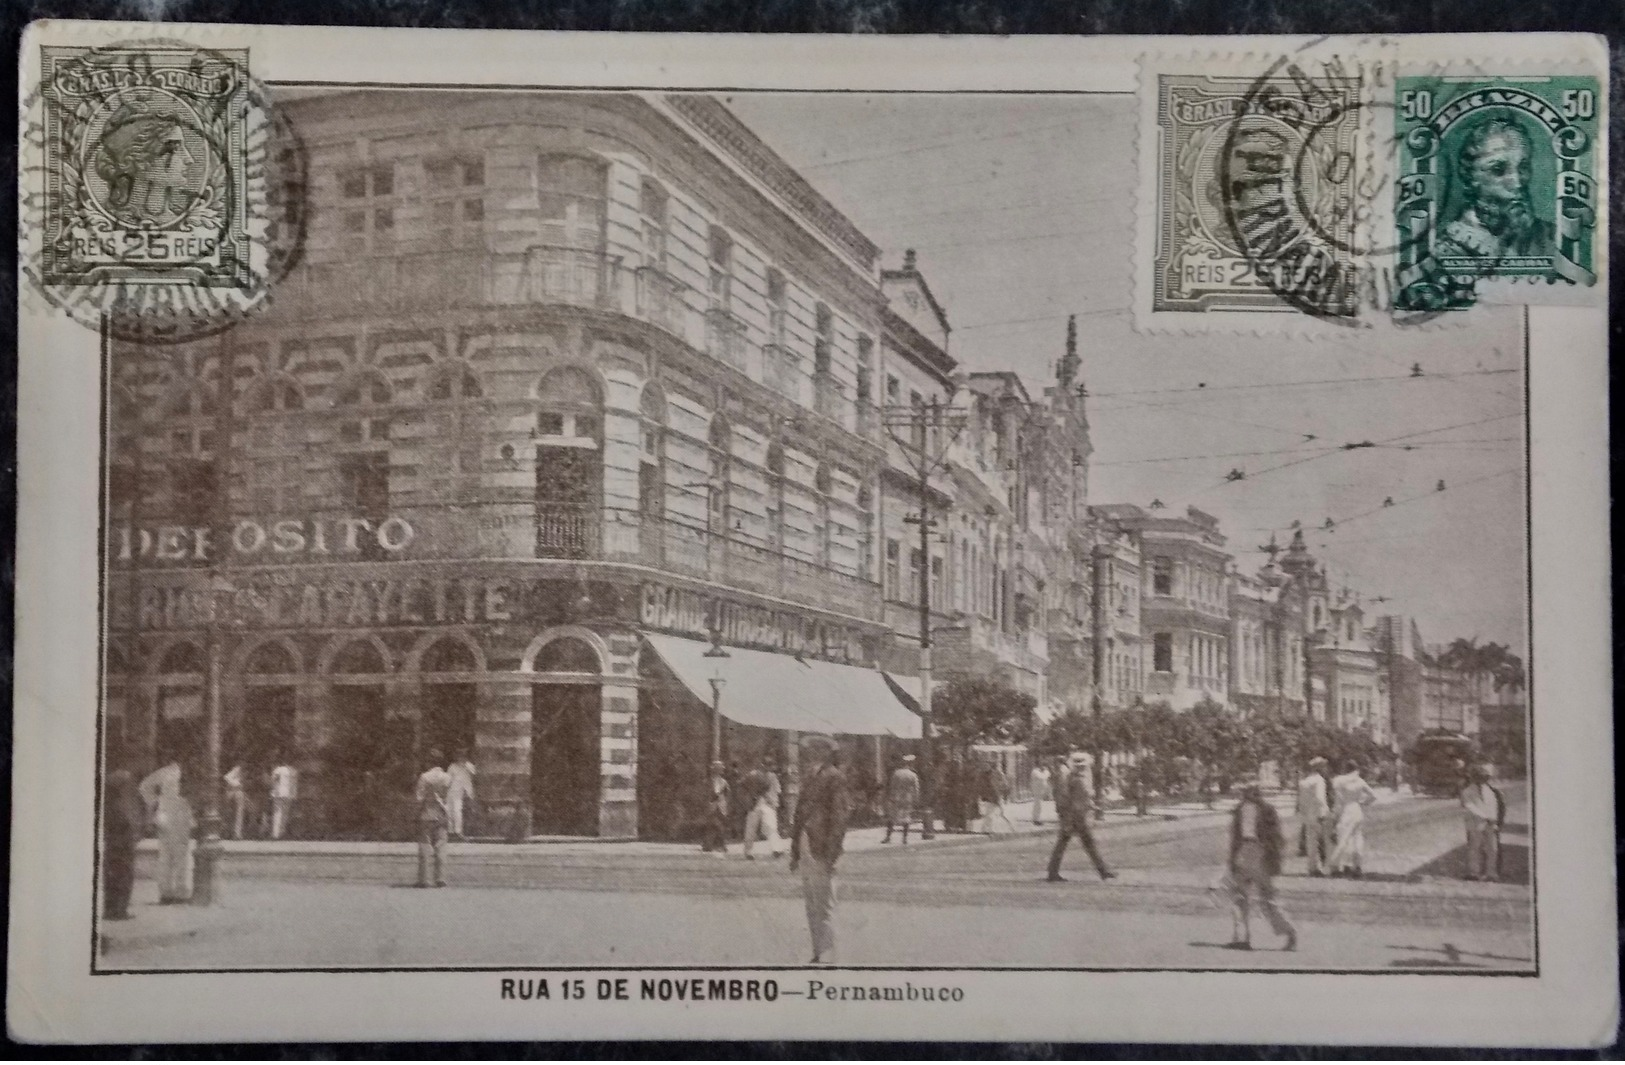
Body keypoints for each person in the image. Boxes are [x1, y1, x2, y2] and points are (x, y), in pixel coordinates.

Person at [1435, 115, 1556, 259]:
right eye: (1498, 170)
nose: (1517, 184)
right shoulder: (1449, 248)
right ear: (1470, 177)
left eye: (1523, 167)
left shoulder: (1551, 237)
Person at [790, 735, 849, 964]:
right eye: (809, 750)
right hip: (807, 843)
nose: (810, 753)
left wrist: (833, 852)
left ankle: (828, 955)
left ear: (826, 753)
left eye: (816, 750)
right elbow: (799, 815)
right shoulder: (809, 777)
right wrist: (795, 851)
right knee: (811, 903)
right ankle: (818, 952)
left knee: (824, 903)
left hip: (822, 845)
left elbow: (839, 817)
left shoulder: (835, 777)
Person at [1226, 779, 1297, 951]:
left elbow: (1235, 839)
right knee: (1268, 897)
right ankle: (1289, 931)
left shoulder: (1240, 810)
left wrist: (1233, 861)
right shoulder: (1267, 810)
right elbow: (1277, 839)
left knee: (1240, 895)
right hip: (1261, 854)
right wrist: (1273, 860)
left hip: (1246, 852)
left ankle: (1243, 937)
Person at [1047, 753, 1116, 882]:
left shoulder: (1075, 778)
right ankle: (1103, 871)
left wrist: (1092, 806)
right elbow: (1073, 798)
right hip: (1077, 817)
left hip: (1076, 815)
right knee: (1087, 843)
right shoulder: (1076, 779)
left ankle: (1053, 871)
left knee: (1065, 844)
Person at [138, 758, 194, 903]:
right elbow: (144, 786)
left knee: (179, 855)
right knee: (168, 855)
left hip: (181, 815)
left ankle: (177, 891)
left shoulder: (190, 773)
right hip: (168, 815)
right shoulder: (167, 772)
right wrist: (156, 802)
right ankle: (168, 892)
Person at [102, 767, 145, 920]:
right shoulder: (119, 805)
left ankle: (113, 910)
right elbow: (125, 824)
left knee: (113, 879)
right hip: (122, 848)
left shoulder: (109, 803)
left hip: (114, 848)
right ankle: (119, 911)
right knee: (122, 879)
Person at [1326, 759, 1378, 878]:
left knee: (1343, 839)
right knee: (1357, 839)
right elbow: (1373, 796)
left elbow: (1338, 802)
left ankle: (1335, 866)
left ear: (1346, 768)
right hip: (1357, 809)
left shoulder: (1339, 781)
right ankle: (1356, 865)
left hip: (1346, 809)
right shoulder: (1360, 781)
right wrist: (1362, 803)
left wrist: (1335, 816)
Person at [1460, 763, 1506, 881]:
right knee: (1474, 848)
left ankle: (1491, 873)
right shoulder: (1466, 791)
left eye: (1485, 776)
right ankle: (1473, 873)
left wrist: (1495, 821)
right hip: (1475, 823)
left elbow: (1494, 806)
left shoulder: (1491, 791)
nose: (1482, 779)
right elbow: (1469, 806)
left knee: (1492, 849)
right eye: (1479, 776)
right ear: (1474, 777)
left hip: (1490, 823)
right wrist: (1485, 817)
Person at [414, 751, 452, 888]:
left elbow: (419, 798)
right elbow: (448, 797)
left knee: (425, 845)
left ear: (429, 761)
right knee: (441, 845)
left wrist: (416, 813)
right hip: (441, 814)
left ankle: (424, 879)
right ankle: (441, 878)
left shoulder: (424, 777)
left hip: (426, 813)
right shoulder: (447, 778)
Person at [742, 758, 786, 859]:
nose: (768, 767)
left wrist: (774, 802)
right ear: (762, 765)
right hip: (754, 803)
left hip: (768, 804)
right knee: (751, 828)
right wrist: (748, 798)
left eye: (770, 765)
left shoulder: (772, 777)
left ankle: (776, 849)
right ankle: (748, 852)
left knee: (770, 827)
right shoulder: (752, 775)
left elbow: (777, 791)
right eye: (767, 765)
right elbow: (742, 785)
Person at [1295, 756, 1331, 876]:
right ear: (1320, 768)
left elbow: (1301, 801)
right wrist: (1324, 811)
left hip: (1308, 814)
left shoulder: (1304, 782)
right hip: (1318, 813)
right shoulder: (1319, 780)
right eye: (1324, 766)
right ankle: (1320, 867)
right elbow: (1320, 798)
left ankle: (1312, 867)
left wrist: (1304, 813)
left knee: (1311, 841)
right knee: (1321, 841)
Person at [882, 755, 920, 844]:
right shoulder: (913, 775)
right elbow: (916, 789)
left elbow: (892, 786)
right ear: (910, 764)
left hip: (896, 797)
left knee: (892, 817)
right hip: (907, 798)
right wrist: (916, 799)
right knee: (906, 818)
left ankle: (888, 837)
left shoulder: (896, 773)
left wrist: (891, 797)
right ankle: (904, 838)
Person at [701, 760, 730, 855]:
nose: (722, 770)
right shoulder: (708, 781)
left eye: (722, 768)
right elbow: (705, 794)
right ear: (715, 770)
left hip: (721, 806)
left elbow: (728, 794)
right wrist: (709, 801)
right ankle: (712, 845)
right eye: (720, 768)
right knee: (713, 825)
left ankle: (712, 845)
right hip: (712, 805)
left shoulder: (724, 782)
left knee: (720, 825)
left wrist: (725, 802)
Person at [981, 763, 1017, 837]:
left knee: (999, 812)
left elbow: (1004, 785)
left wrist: (1004, 793)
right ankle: (987, 829)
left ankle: (986, 828)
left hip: (996, 796)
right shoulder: (986, 775)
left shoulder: (996, 774)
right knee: (990, 813)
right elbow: (986, 787)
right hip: (992, 796)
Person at [447, 752, 477, 840]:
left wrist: (466, 765)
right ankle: (451, 831)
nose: (459, 758)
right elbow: (448, 779)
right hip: (452, 791)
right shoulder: (452, 766)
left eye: (461, 756)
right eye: (458, 756)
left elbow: (474, 773)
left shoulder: (468, 765)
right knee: (450, 811)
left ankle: (458, 832)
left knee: (457, 811)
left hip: (464, 792)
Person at [269, 756, 299, 840]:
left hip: (278, 793)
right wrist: (294, 795)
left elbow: (274, 781)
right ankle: (282, 832)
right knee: (285, 814)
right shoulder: (293, 771)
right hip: (288, 794)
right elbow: (294, 784)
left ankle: (275, 834)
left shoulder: (278, 770)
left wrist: (274, 791)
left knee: (277, 813)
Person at [223, 763, 247, 841]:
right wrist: (236, 784)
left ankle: (233, 833)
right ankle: (235, 833)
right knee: (236, 813)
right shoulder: (237, 768)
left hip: (233, 791)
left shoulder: (239, 769)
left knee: (233, 813)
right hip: (236, 791)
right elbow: (226, 777)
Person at [1030, 760, 1051, 826]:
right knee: (1038, 805)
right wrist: (1046, 772)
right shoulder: (1035, 771)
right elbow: (1042, 777)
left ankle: (1037, 818)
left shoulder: (1038, 771)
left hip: (1040, 791)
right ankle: (1036, 819)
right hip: (1037, 791)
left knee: (1039, 805)